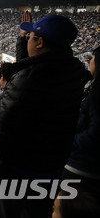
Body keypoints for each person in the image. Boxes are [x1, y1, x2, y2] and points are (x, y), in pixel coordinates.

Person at [0, 13, 91, 218]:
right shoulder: (73, 72)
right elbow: (31, 66)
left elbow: (4, 127)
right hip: (52, 164)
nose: (28, 38)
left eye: (31, 36)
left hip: (18, 166)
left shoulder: (28, 79)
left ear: (40, 42)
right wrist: (22, 38)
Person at [62, 46, 100, 199]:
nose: (88, 61)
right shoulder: (91, 87)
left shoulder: (96, 94)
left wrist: (69, 141)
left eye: (92, 58)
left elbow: (95, 133)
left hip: (81, 168)